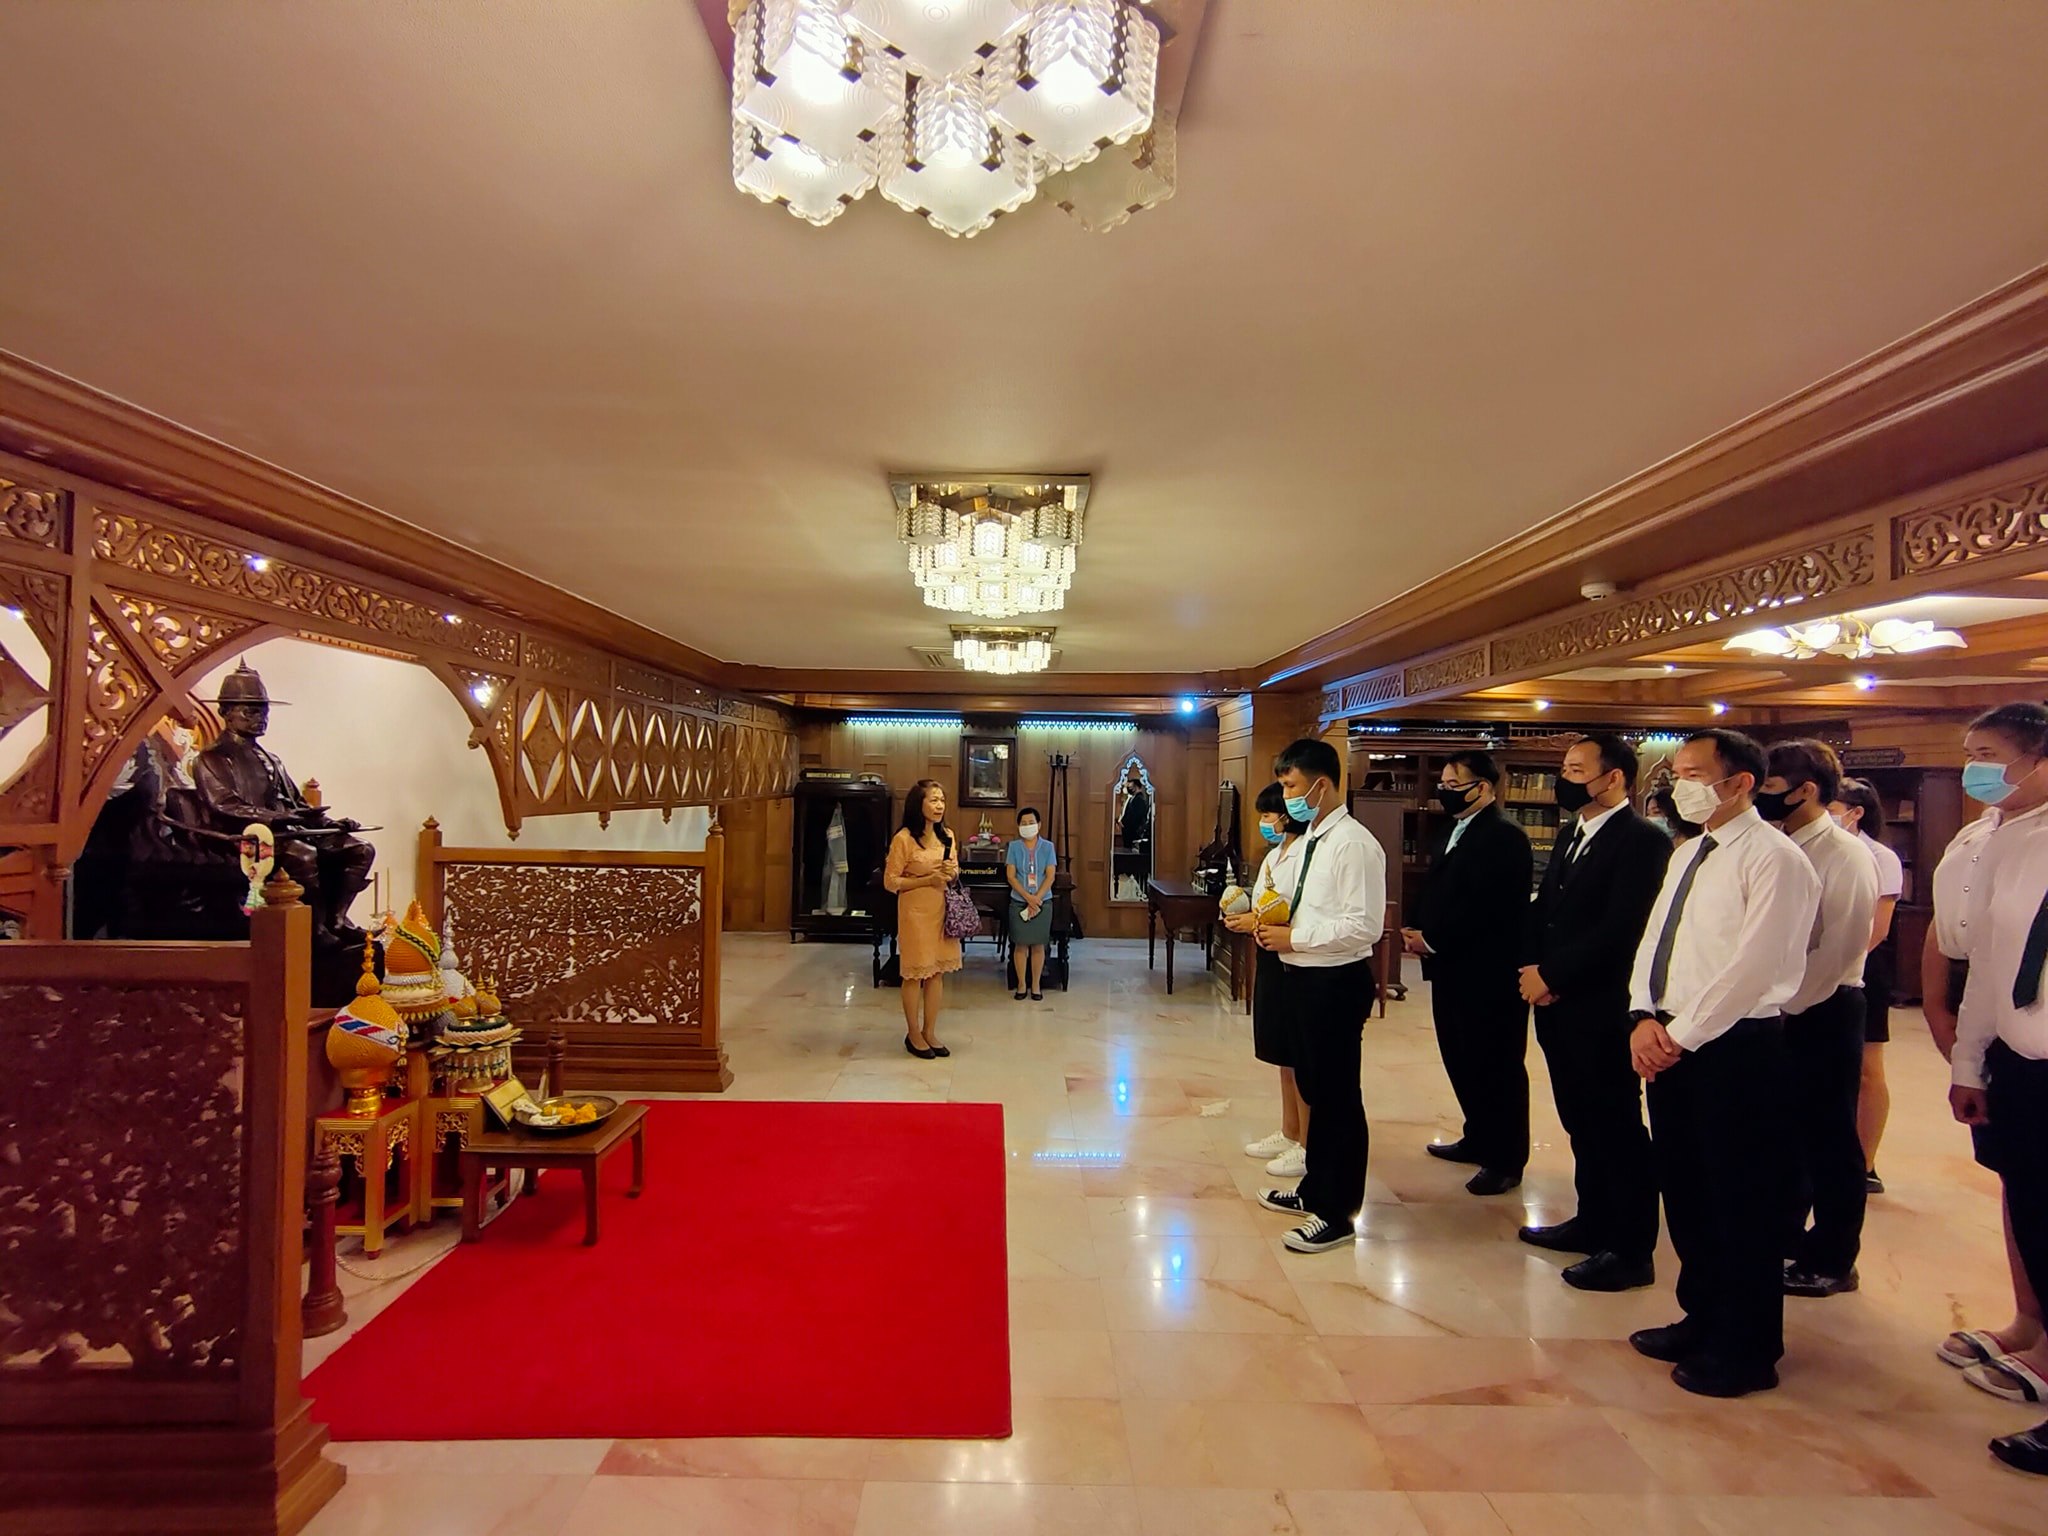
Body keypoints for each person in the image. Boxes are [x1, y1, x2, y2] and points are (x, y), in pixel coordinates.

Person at [1625, 727, 1819, 1398]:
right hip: (1669, 1037)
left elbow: (1754, 967)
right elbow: (1656, 941)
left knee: (1740, 1199)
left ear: (1739, 782)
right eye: (1676, 773)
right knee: (1686, 1189)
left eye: (1694, 774)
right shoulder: (1688, 853)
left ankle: (1747, 1346)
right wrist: (1643, 1015)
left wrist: (1681, 1035)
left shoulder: (1775, 859)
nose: (1680, 786)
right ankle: (1701, 1315)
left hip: (1735, 1047)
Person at [1934, 702, 2048, 1472]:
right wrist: (1970, 1063)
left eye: (1989, 754)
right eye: (1970, 752)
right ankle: (2033, 1329)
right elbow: (1989, 966)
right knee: (2032, 1207)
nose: (1976, 768)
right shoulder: (2001, 838)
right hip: (2020, 1061)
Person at [1518, 733, 1671, 1291]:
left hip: (1603, 1005)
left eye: (1577, 770)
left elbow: (1622, 928)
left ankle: (1631, 1248)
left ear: (1614, 778)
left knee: (1614, 1124)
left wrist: (1555, 976)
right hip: (1558, 1004)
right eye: (1564, 768)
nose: (1566, 779)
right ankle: (1593, 1219)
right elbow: (1549, 911)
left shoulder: (1642, 841)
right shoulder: (1571, 833)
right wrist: (1533, 969)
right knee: (1579, 1118)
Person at [1254, 738, 1387, 1254]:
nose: (1287, 797)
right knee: (1314, 1088)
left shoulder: (1353, 844)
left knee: (1336, 1099)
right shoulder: (1314, 838)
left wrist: (1296, 937)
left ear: (1321, 784)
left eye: (1291, 786)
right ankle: (1315, 1190)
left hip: (1334, 982)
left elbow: (1364, 926)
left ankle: (1338, 1213)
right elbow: (1309, 903)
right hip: (1302, 979)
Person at [1758, 739, 1877, 1299]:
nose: (1761, 797)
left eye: (1770, 787)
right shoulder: (1776, 844)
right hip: (1776, 1006)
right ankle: (1785, 1238)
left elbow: (1841, 946)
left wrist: (1787, 1005)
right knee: (1784, 1135)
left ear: (1806, 790)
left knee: (1829, 1138)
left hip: (1824, 1006)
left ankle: (1833, 1257)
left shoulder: (1843, 853)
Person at [1404, 750, 1533, 1196]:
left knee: (1496, 1065)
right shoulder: (1455, 828)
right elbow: (1438, 887)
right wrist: (1417, 927)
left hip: (1489, 972)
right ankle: (1478, 1135)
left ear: (1484, 788)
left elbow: (1488, 908)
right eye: (1442, 784)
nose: (1445, 792)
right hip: (1452, 969)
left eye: (1454, 785)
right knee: (1461, 1057)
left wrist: (1433, 938)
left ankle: (1506, 1159)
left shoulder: (1504, 836)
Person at [1232, 783, 1313, 1180]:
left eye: (1268, 815)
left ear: (1287, 815)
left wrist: (1256, 920)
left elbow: (1297, 910)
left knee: (1300, 1055)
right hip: (1269, 954)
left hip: (1296, 958)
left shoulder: (1307, 854)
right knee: (1281, 1052)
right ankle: (1289, 1129)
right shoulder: (1273, 854)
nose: (1264, 823)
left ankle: (1307, 1144)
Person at [1830, 777, 1903, 1195]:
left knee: (1868, 1069)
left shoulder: (1881, 856)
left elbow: (1878, 928)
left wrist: (1840, 965)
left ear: (1856, 813)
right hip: (1821, 968)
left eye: (1834, 808)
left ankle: (1867, 1161)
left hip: (1864, 966)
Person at [883, 778, 961, 1059]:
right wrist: (927, 879)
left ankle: (930, 1031)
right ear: (919, 804)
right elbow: (890, 882)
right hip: (914, 913)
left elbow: (954, 870)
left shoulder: (947, 835)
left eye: (942, 800)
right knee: (915, 973)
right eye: (934, 800)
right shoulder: (904, 839)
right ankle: (913, 1033)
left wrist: (951, 872)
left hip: (941, 910)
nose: (940, 806)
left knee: (936, 972)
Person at [1005, 806, 1056, 1002]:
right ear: (1019, 826)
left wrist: (1037, 899)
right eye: (1024, 823)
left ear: (1039, 825)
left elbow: (1050, 876)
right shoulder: (1014, 847)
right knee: (1020, 945)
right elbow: (1011, 876)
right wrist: (1028, 897)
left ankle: (1035, 985)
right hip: (1019, 901)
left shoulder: (1048, 847)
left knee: (1038, 946)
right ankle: (1021, 984)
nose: (1028, 826)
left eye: (1031, 823)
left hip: (1043, 902)